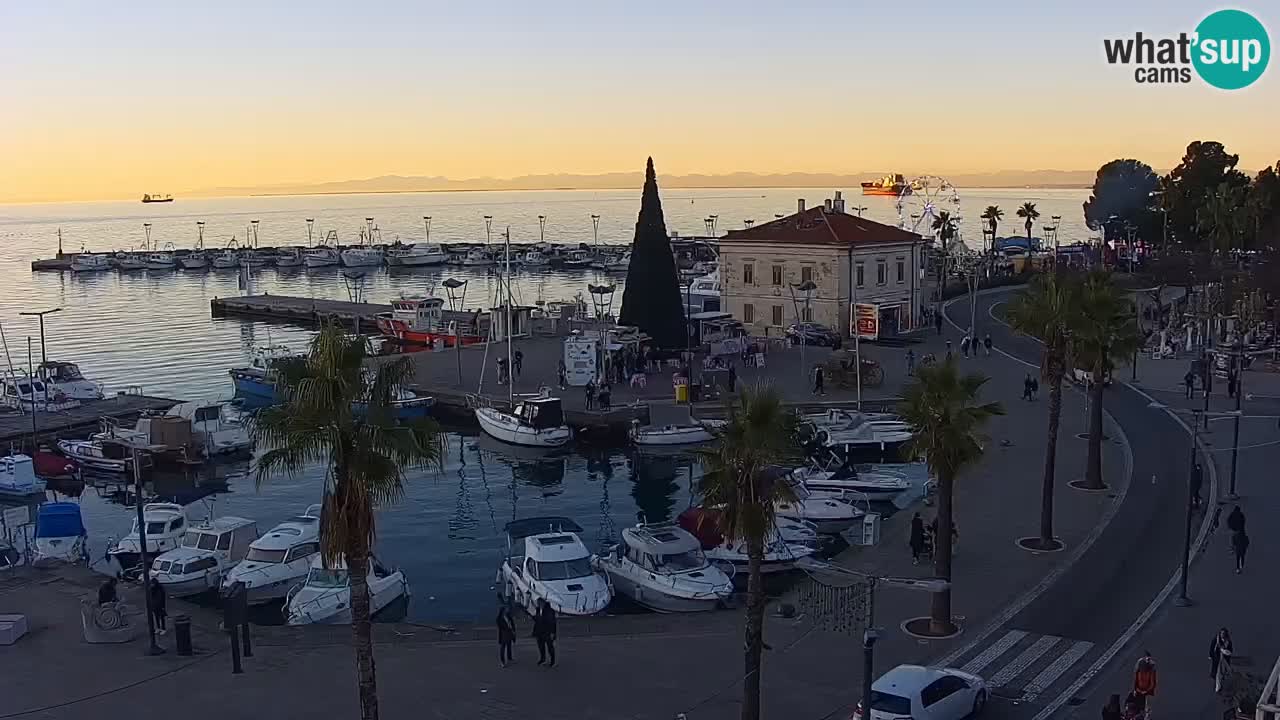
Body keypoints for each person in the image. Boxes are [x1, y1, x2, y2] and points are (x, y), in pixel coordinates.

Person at [533, 599, 557, 667]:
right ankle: (542, 659)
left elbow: (553, 622)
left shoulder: (550, 610)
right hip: (539, 632)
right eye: (537, 602)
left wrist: (553, 632)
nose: (538, 603)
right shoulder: (538, 609)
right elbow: (536, 620)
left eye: (539, 602)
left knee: (550, 647)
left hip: (547, 632)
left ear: (543, 602)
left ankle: (553, 661)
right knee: (541, 647)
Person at [1132, 651, 1157, 716]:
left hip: (1146, 691)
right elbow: (1136, 679)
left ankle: (1145, 715)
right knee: (1138, 703)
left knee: (1146, 705)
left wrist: (1146, 691)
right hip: (1139, 690)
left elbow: (1152, 683)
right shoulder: (1139, 667)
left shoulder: (1151, 671)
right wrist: (1136, 689)